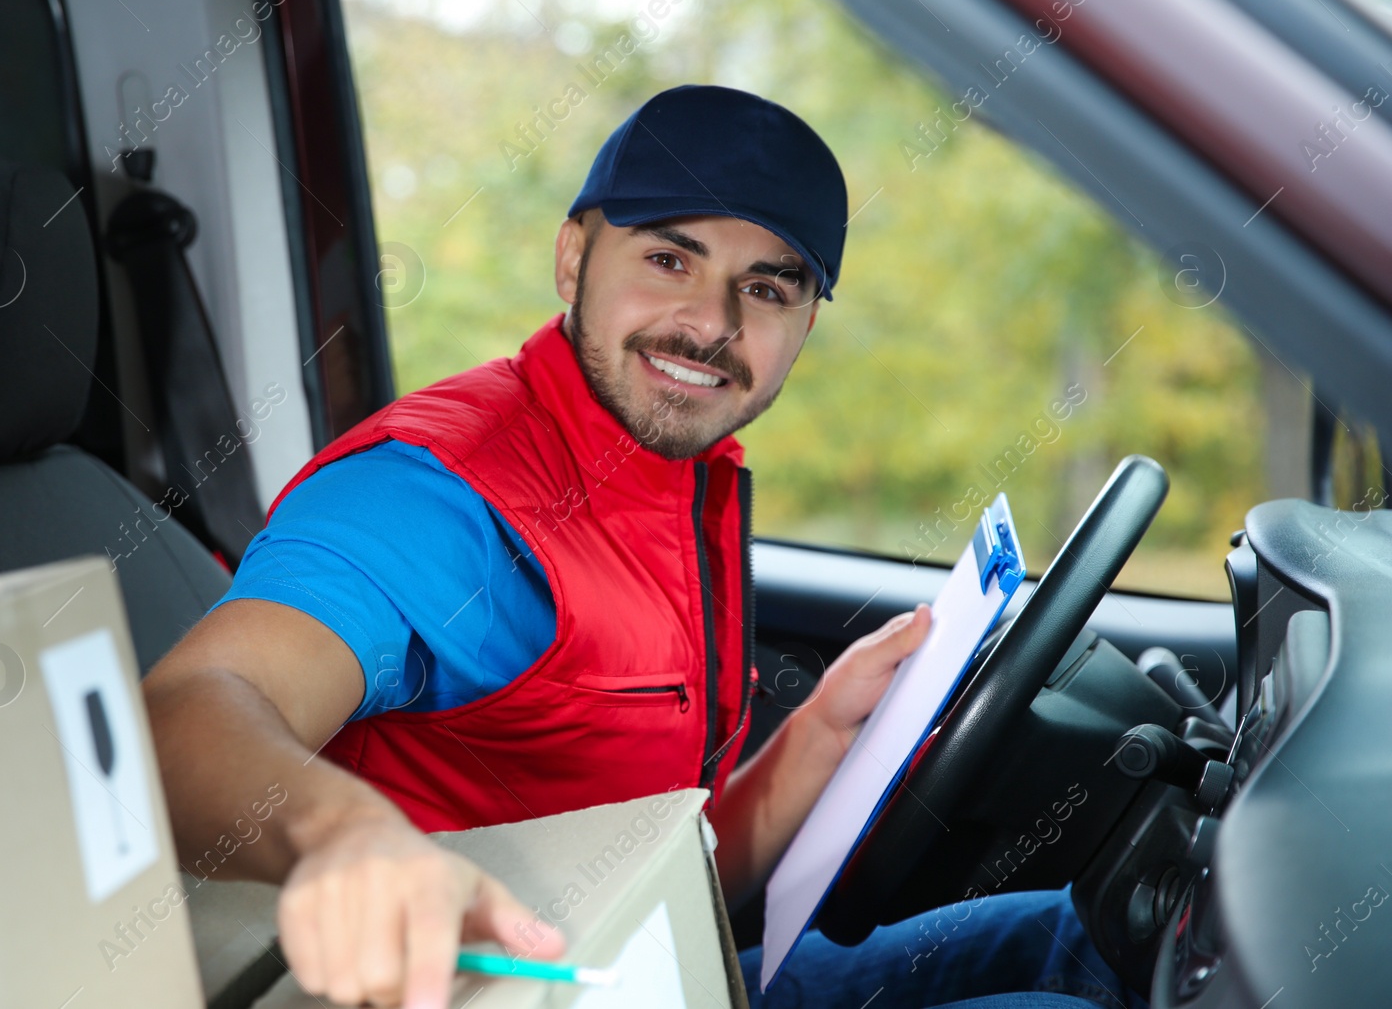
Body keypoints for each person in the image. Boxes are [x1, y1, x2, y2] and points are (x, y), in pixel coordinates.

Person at [144, 85, 1138, 1009]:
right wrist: (346, 834)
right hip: (504, 987)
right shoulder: (441, 495)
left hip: (646, 962)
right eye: (669, 258)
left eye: (768, 286)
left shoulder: (675, 479)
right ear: (574, 258)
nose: (711, 322)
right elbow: (188, 708)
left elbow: (667, 864)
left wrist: (821, 733)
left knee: (1090, 935)